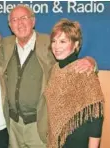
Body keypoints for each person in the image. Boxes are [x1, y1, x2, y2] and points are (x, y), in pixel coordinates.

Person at [0, 5, 96, 148]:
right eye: (15, 20)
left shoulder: (49, 43)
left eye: (24, 18)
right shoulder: (5, 44)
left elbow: (69, 59)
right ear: (10, 25)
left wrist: (91, 61)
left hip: (37, 126)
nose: (20, 23)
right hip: (12, 126)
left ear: (33, 21)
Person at [44, 18, 104, 148]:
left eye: (63, 41)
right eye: (54, 41)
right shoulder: (55, 69)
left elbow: (96, 117)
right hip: (56, 140)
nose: (56, 46)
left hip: (77, 141)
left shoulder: (84, 69)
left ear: (76, 44)